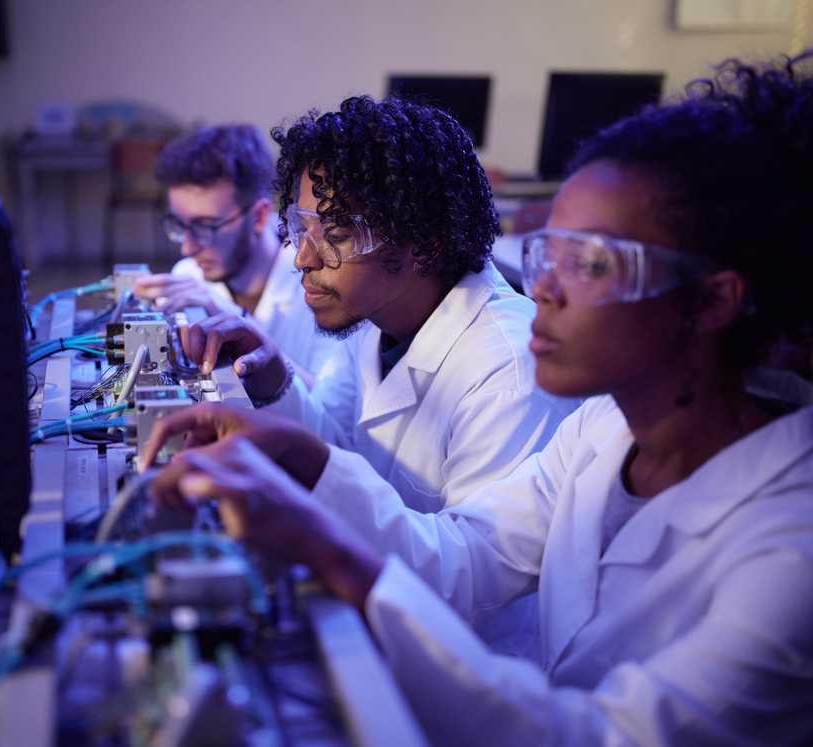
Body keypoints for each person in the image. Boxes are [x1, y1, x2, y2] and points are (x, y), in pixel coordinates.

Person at [144, 53, 813, 744]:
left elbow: (600, 735)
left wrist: (333, 546)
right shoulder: (606, 429)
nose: (544, 288)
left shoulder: (793, 555)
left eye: (589, 263)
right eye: (548, 253)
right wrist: (301, 455)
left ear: (709, 301)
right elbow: (464, 555)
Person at [178, 97, 577, 510]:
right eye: (301, 228)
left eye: (335, 235)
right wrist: (274, 381)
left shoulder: (508, 369)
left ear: (424, 243)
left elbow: (478, 567)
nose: (303, 259)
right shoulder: (376, 316)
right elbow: (337, 449)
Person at [131, 124, 334, 378]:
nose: (187, 247)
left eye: (205, 226)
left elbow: (331, 412)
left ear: (259, 217)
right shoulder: (189, 276)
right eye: (179, 225)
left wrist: (225, 313)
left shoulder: (322, 286)